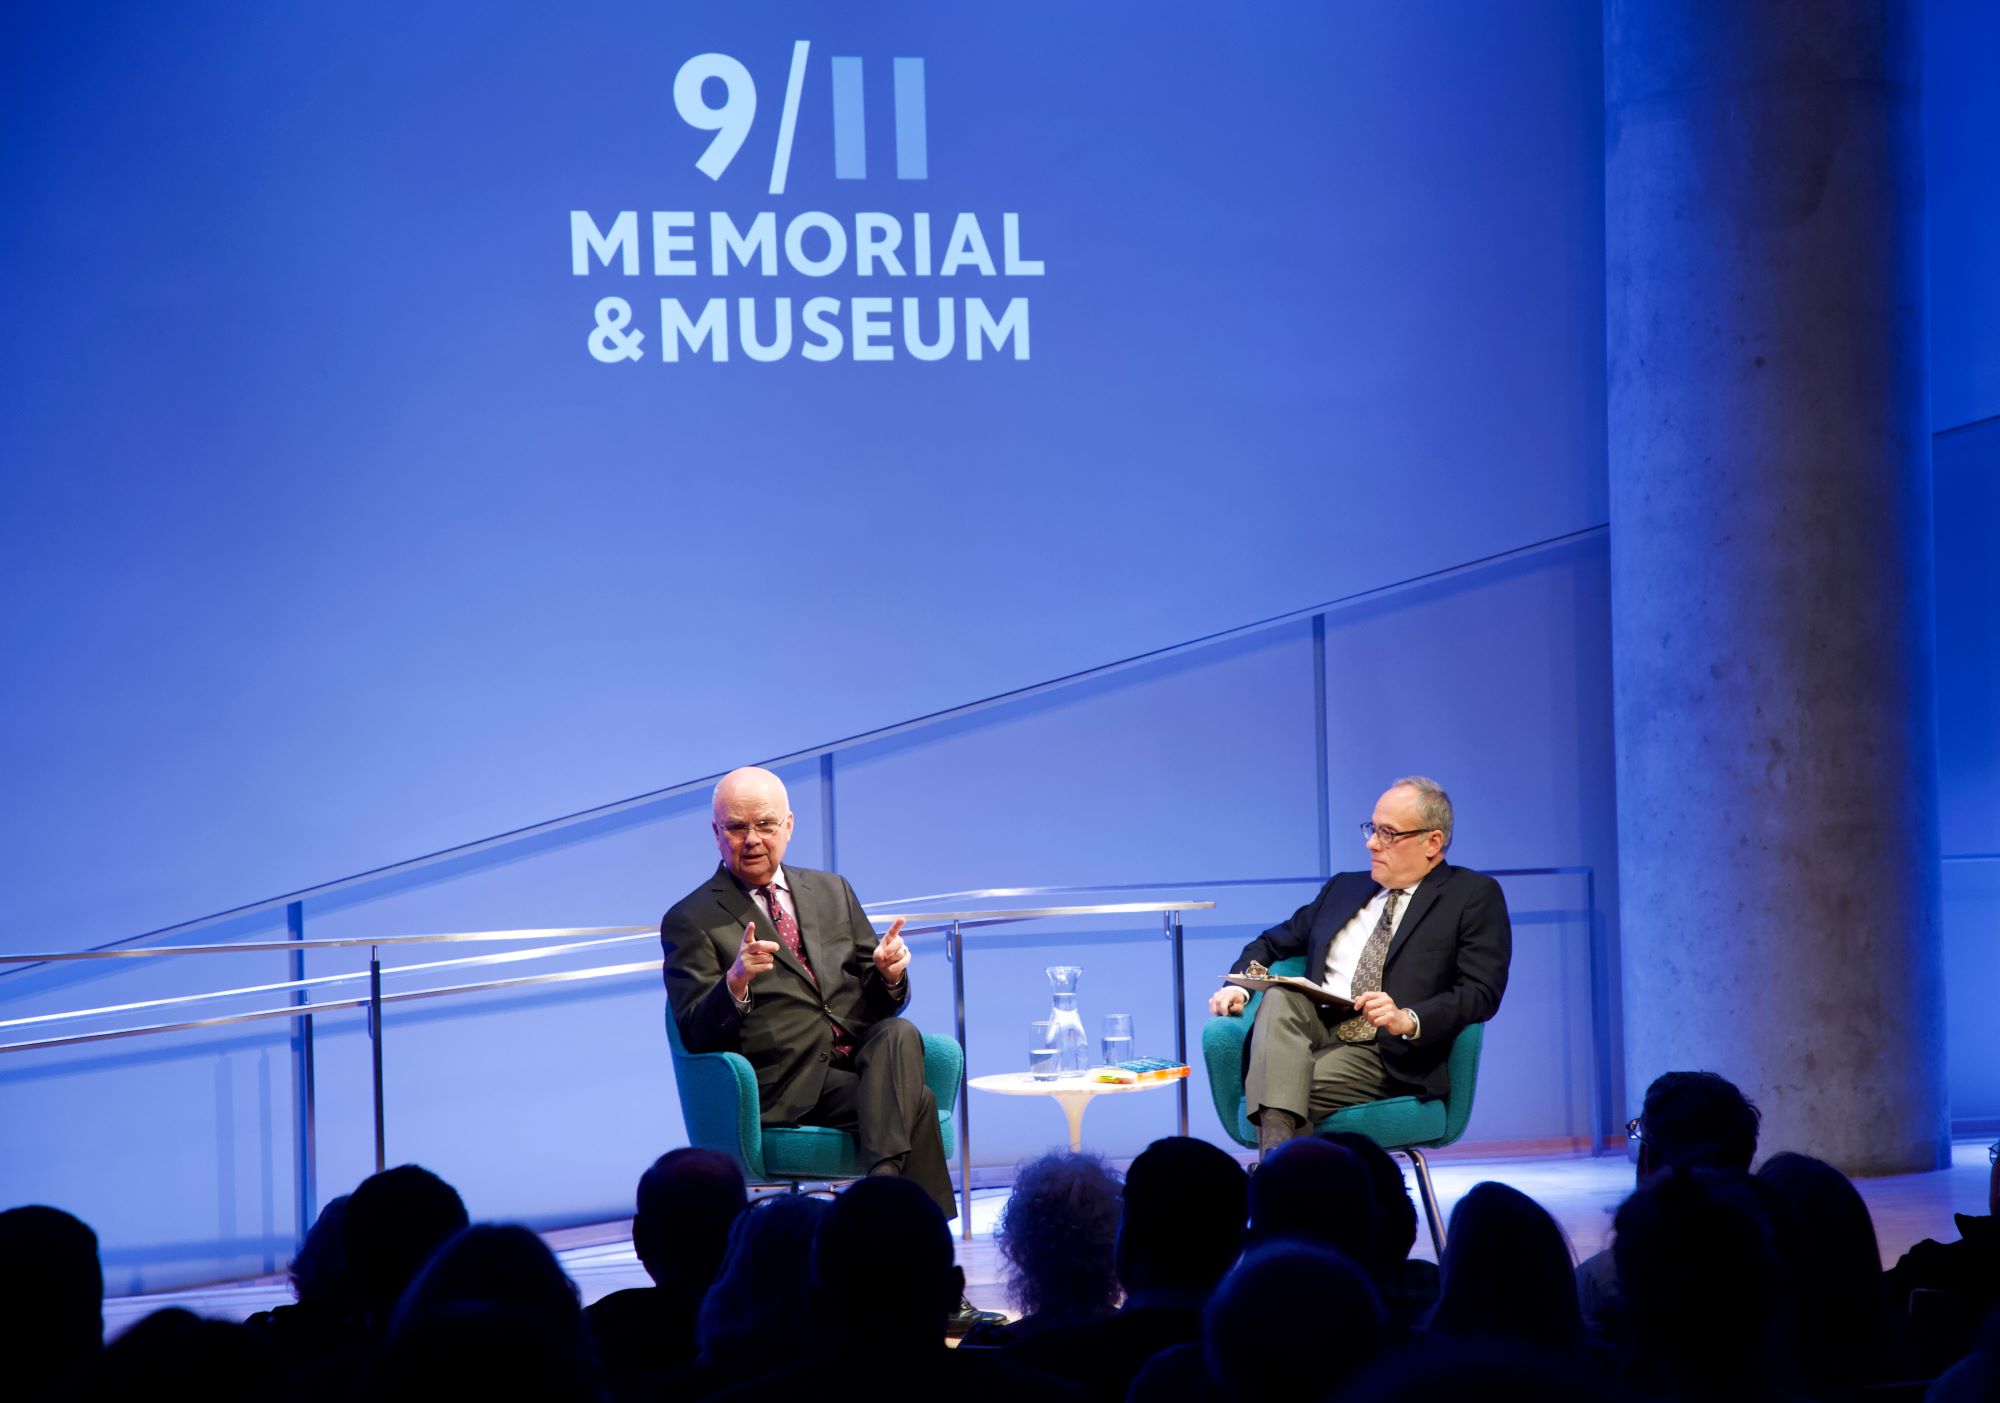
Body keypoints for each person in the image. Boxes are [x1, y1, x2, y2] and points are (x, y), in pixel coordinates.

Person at [661, 766, 998, 1332]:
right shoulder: (690, 919)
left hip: (861, 1066)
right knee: (913, 1103)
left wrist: (890, 974)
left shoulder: (831, 890)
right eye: (736, 827)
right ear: (715, 833)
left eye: (765, 824)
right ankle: (928, 1278)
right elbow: (695, 1030)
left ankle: (881, 1204)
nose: (752, 839)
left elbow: (882, 998)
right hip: (784, 1087)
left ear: (789, 826)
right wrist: (736, 981)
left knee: (900, 1033)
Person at [1206, 776, 1511, 1153]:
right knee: (1281, 999)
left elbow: (1481, 992)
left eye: (1388, 833)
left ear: (1432, 842)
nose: (1371, 843)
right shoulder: (1343, 889)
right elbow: (1270, 943)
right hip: (1308, 1032)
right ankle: (1291, 1192)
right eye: (1371, 829)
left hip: (1385, 1052)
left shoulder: (1471, 896)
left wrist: (1410, 1018)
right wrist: (1236, 987)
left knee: (1278, 1086)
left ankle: (1276, 1189)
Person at [1576, 1070, 1760, 1352]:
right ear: (1747, 1154)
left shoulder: (1600, 1279)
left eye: (1640, 1136)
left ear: (1648, 1160)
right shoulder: (1793, 1258)